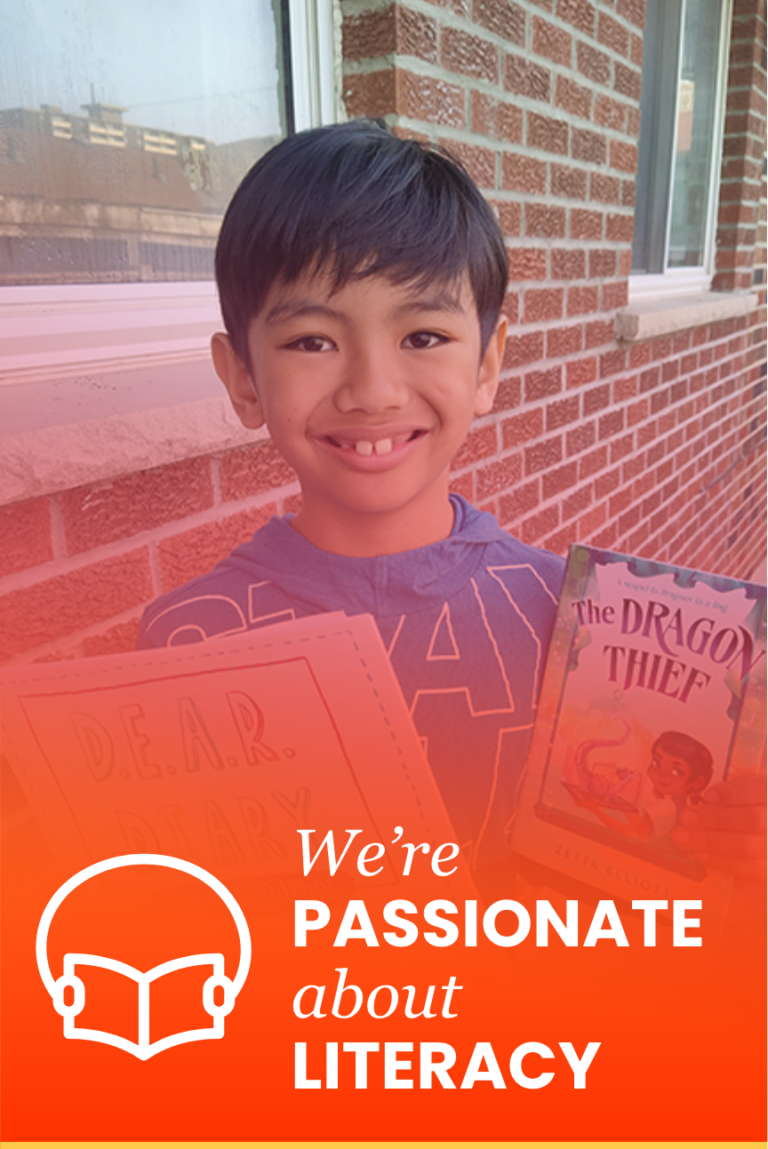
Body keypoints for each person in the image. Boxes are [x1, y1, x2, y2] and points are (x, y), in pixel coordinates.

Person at [137, 119, 765, 888]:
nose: (372, 390)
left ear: (488, 365)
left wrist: (721, 849)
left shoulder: (576, 627)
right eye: (311, 341)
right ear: (240, 377)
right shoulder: (186, 644)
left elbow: (635, 899)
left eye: (424, 335)